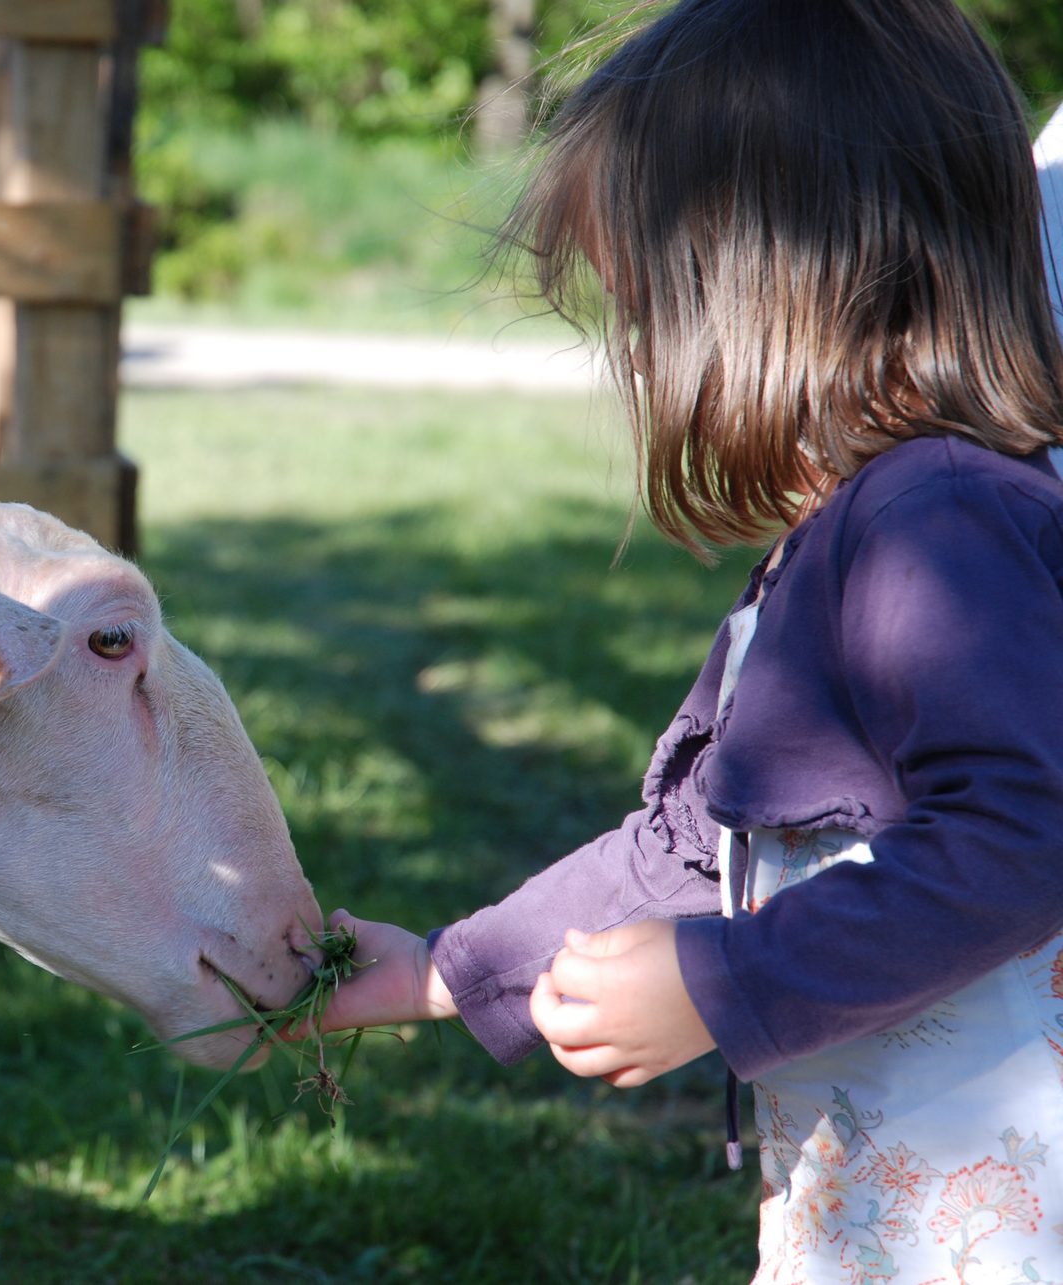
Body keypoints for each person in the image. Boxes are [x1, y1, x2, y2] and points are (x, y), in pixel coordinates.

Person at [319, 0, 1063, 1279]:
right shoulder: (860, 521)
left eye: (649, 312)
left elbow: (1026, 833)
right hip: (894, 1215)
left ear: (779, 277)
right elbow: (701, 842)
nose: (644, 363)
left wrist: (731, 981)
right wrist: (445, 972)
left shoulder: (937, 520)